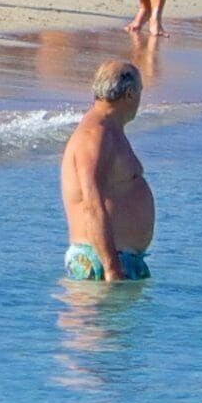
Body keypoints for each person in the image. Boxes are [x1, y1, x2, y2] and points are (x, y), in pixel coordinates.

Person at [58, 59, 154, 282]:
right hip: (101, 265)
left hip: (116, 261)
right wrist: (112, 269)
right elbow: (91, 203)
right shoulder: (96, 135)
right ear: (130, 94)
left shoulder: (110, 131)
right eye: (140, 91)